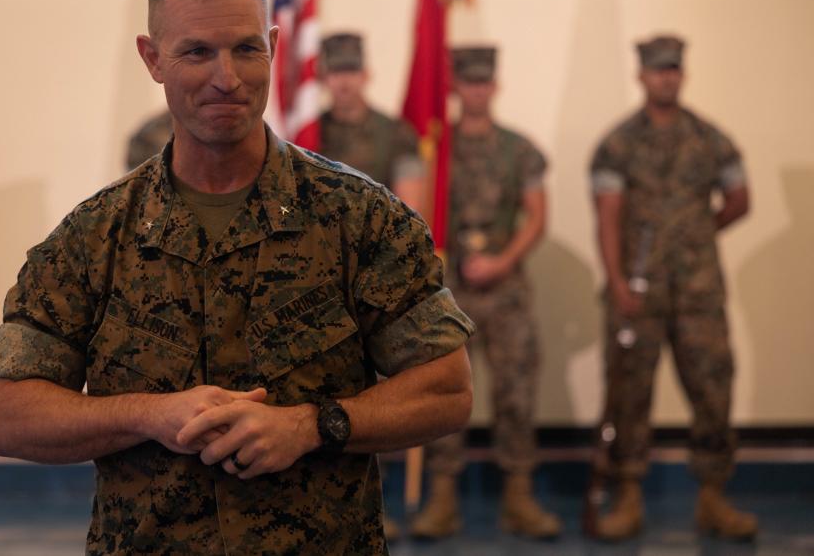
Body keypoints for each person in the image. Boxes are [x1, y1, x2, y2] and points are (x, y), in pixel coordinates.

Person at [0, 0, 474, 555]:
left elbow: (448, 390)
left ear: (273, 45)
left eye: (246, 49)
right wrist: (147, 415)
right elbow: (7, 415)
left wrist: (313, 425)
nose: (226, 78)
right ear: (152, 58)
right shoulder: (94, 238)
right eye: (197, 52)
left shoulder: (360, 218)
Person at [588, 35, 757, 540]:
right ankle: (629, 497)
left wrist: (696, 236)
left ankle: (712, 499)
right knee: (630, 394)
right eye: (657, 70)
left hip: (699, 294)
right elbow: (608, 218)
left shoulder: (711, 138)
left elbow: (739, 198)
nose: (666, 77)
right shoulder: (618, 144)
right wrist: (617, 281)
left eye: (674, 70)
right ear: (641, 76)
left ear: (683, 75)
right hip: (638, 293)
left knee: (713, 388)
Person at [409, 46, 562, 540]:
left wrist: (503, 261)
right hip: (446, 293)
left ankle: (519, 497)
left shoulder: (520, 150)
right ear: (455, 87)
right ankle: (443, 499)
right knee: (441, 396)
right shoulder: (434, 148)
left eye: (484, 83)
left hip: (507, 292)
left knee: (517, 393)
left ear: (494, 87)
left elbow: (537, 216)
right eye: (467, 82)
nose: (476, 90)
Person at [314, 33, 424, 205]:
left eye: (351, 71)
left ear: (366, 75)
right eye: (336, 72)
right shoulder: (311, 133)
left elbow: (409, 211)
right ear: (323, 79)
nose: (344, 81)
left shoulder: (397, 133)